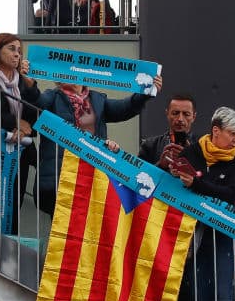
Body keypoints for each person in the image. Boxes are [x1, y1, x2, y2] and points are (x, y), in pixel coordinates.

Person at [171, 106, 235, 301]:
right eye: (232, 134)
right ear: (216, 131)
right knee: (200, 299)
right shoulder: (192, 152)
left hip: (222, 234)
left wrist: (197, 183)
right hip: (194, 234)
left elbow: (230, 195)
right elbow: (179, 187)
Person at [35, 74, 161, 215]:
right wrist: (28, 83)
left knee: (89, 222)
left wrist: (144, 93)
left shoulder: (97, 100)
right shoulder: (52, 97)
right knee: (63, 222)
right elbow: (36, 102)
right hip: (62, 175)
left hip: (91, 173)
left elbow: (125, 107)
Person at [0, 33, 40, 233]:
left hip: (21, 151)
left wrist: (30, 83)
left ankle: (10, 245)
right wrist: (15, 123)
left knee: (14, 202)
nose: (17, 54)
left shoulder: (22, 82)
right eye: (11, 49)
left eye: (19, 51)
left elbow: (36, 112)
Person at [137, 92, 197, 166]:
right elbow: (138, 172)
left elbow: (208, 172)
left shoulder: (203, 146)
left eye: (186, 114)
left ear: (193, 117)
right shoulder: (150, 145)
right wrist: (161, 165)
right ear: (167, 114)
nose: (180, 119)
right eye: (175, 113)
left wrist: (192, 158)